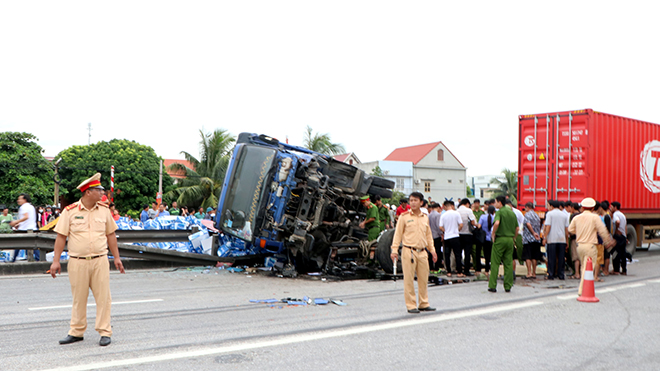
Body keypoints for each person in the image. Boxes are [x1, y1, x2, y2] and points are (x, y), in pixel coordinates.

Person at [50, 173, 125, 346]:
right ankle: (76, 331)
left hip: (100, 260)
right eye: (99, 190)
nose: (102, 193)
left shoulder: (104, 211)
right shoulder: (69, 212)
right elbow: (61, 237)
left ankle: (105, 331)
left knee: (104, 298)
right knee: (79, 298)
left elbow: (111, 235)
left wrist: (117, 258)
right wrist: (55, 261)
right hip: (77, 261)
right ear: (88, 192)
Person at [390, 192, 437, 313]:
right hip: (408, 251)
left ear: (421, 202)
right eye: (411, 200)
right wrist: (394, 250)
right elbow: (397, 235)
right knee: (409, 279)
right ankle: (411, 305)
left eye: (415, 200)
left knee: (423, 278)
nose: (413, 202)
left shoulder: (425, 217)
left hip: (422, 252)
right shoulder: (404, 217)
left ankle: (423, 303)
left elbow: (428, 236)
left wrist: (432, 250)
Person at [568, 197, 615, 296]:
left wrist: (580, 232)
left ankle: (583, 289)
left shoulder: (577, 217)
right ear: (593, 208)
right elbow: (602, 231)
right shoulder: (595, 218)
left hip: (579, 246)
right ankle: (582, 290)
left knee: (583, 267)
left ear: (583, 208)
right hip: (590, 246)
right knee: (588, 269)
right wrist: (608, 242)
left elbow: (570, 229)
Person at [488, 195, 518, 293]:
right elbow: (517, 228)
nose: (495, 204)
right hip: (509, 239)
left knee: (495, 262)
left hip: (500, 239)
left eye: (495, 202)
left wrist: (493, 234)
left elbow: (496, 223)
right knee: (508, 263)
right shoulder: (512, 213)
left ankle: (492, 285)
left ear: (500, 202)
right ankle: (508, 286)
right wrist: (513, 238)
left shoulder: (499, 212)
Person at [543, 200, 569, 280]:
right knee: (561, 258)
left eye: (548, 205)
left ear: (552, 206)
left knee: (552, 258)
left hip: (552, 239)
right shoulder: (564, 215)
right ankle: (561, 275)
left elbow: (548, 227)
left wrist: (545, 237)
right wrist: (567, 240)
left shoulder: (549, 214)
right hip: (562, 239)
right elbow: (566, 229)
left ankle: (551, 274)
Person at [9, 193, 38, 262]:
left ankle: (13, 259)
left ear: (24, 199)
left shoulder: (23, 207)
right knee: (33, 245)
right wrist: (19, 223)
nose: (18, 200)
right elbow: (28, 219)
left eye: (20, 199)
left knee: (18, 244)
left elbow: (26, 217)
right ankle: (38, 258)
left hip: (24, 229)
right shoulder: (31, 206)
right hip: (32, 228)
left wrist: (15, 222)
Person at [439, 200, 463, 277]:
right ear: (452, 206)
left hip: (447, 237)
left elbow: (440, 226)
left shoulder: (443, 215)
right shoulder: (457, 213)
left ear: (445, 206)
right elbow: (461, 224)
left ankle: (448, 271)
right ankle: (459, 272)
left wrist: (445, 231)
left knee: (447, 255)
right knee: (457, 255)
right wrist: (457, 230)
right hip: (455, 236)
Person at [457, 198, 478, 277]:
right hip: (468, 234)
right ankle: (466, 270)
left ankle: (459, 270)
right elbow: (473, 222)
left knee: (458, 253)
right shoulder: (469, 211)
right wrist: (476, 225)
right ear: (467, 204)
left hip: (459, 234)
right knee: (467, 253)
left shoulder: (457, 211)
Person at [522, 202, 542, 279]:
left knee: (528, 256)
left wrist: (533, 233)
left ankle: (529, 272)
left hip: (528, 239)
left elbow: (528, 224)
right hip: (536, 240)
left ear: (527, 207)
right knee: (534, 257)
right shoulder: (537, 215)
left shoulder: (527, 215)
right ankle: (534, 273)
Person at [610, 201, 628, 275]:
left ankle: (616, 270)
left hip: (618, 236)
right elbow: (625, 227)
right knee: (623, 254)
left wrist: (617, 229)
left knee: (616, 253)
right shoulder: (623, 215)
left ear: (615, 207)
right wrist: (625, 236)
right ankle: (624, 270)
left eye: (611, 207)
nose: (610, 208)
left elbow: (617, 221)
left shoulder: (615, 214)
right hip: (623, 236)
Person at [477, 205, 496, 274]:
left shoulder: (482, 217)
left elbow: (479, 226)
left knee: (478, 253)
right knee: (488, 255)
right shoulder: (494, 218)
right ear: (494, 211)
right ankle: (487, 270)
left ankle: (478, 269)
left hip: (482, 238)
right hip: (489, 238)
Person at [427, 202, 444, 271]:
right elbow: (438, 226)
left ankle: (431, 267)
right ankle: (436, 267)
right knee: (437, 252)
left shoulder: (429, 215)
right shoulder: (437, 215)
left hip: (430, 235)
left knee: (431, 252)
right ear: (438, 208)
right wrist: (441, 234)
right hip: (436, 235)